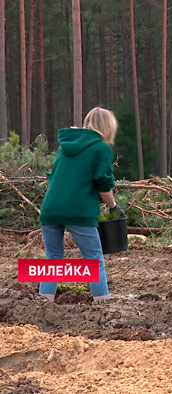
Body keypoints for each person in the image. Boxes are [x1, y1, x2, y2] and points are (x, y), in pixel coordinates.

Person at [39, 107, 125, 303]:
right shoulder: (100, 148)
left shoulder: (64, 146)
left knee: (52, 257)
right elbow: (103, 184)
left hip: (51, 208)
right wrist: (113, 207)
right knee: (94, 260)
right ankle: (103, 304)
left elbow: (54, 177)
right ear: (108, 127)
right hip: (79, 210)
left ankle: (44, 303)